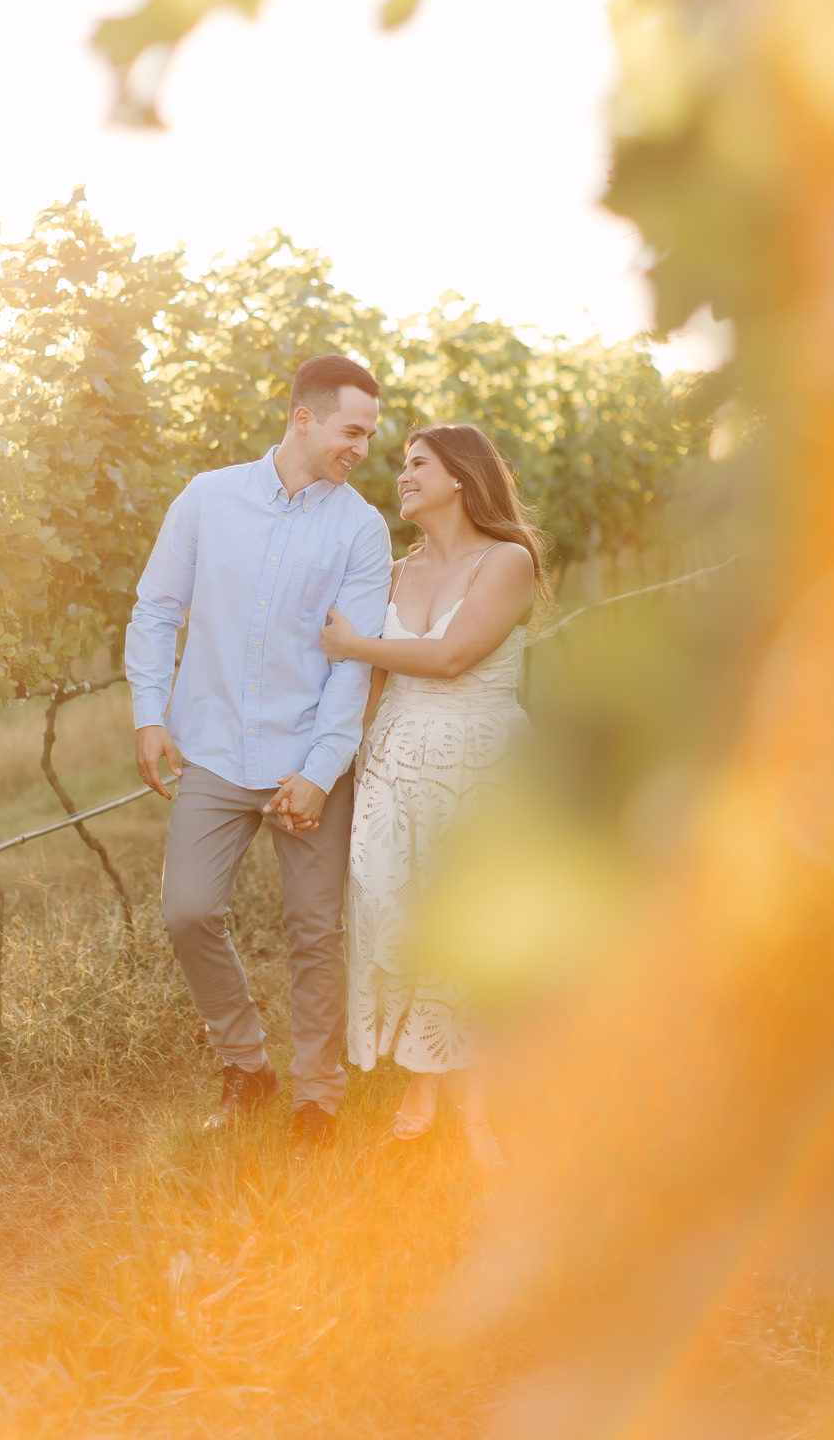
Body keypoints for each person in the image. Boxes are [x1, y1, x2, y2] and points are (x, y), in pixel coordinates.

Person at [124, 355, 392, 1156]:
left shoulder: (362, 528)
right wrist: (149, 714)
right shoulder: (208, 499)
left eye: (372, 436)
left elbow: (355, 662)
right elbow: (156, 607)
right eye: (353, 430)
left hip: (306, 755)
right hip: (210, 746)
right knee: (189, 910)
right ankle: (246, 1065)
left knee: (314, 929)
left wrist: (320, 770)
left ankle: (317, 1094)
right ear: (303, 418)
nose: (362, 449)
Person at [319, 424, 551, 1168]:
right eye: (404, 465)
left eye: (418, 463)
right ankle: (423, 1083)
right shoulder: (392, 573)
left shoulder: (507, 561)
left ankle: (475, 1114)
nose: (404, 476)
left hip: (477, 764)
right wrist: (327, 769)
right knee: (401, 918)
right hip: (394, 763)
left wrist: (354, 644)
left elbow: (451, 657)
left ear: (460, 477)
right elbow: (371, 690)